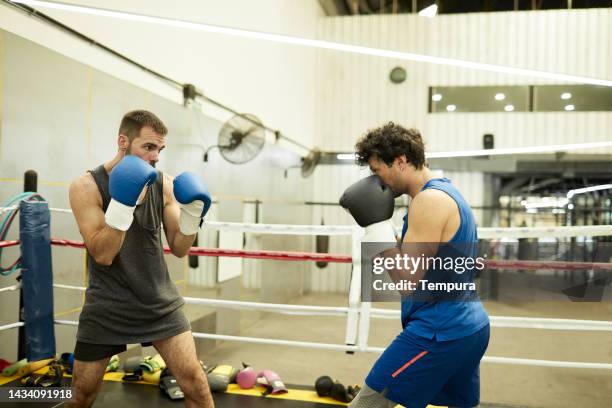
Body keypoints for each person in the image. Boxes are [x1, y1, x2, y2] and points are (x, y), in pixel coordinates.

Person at [68, 110, 214, 408]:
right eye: (148, 147)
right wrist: (124, 203)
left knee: (197, 385)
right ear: (123, 141)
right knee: (80, 395)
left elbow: (180, 247)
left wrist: (192, 215)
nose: (156, 156)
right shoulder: (86, 187)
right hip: (107, 305)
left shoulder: (165, 185)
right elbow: (103, 253)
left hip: (159, 303)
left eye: (160, 149)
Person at [340, 122, 490, 408]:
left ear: (401, 161)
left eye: (376, 170)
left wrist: (377, 228)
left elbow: (406, 281)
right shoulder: (445, 193)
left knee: (367, 405)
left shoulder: (429, 202)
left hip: (440, 330)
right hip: (470, 327)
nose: (376, 181)